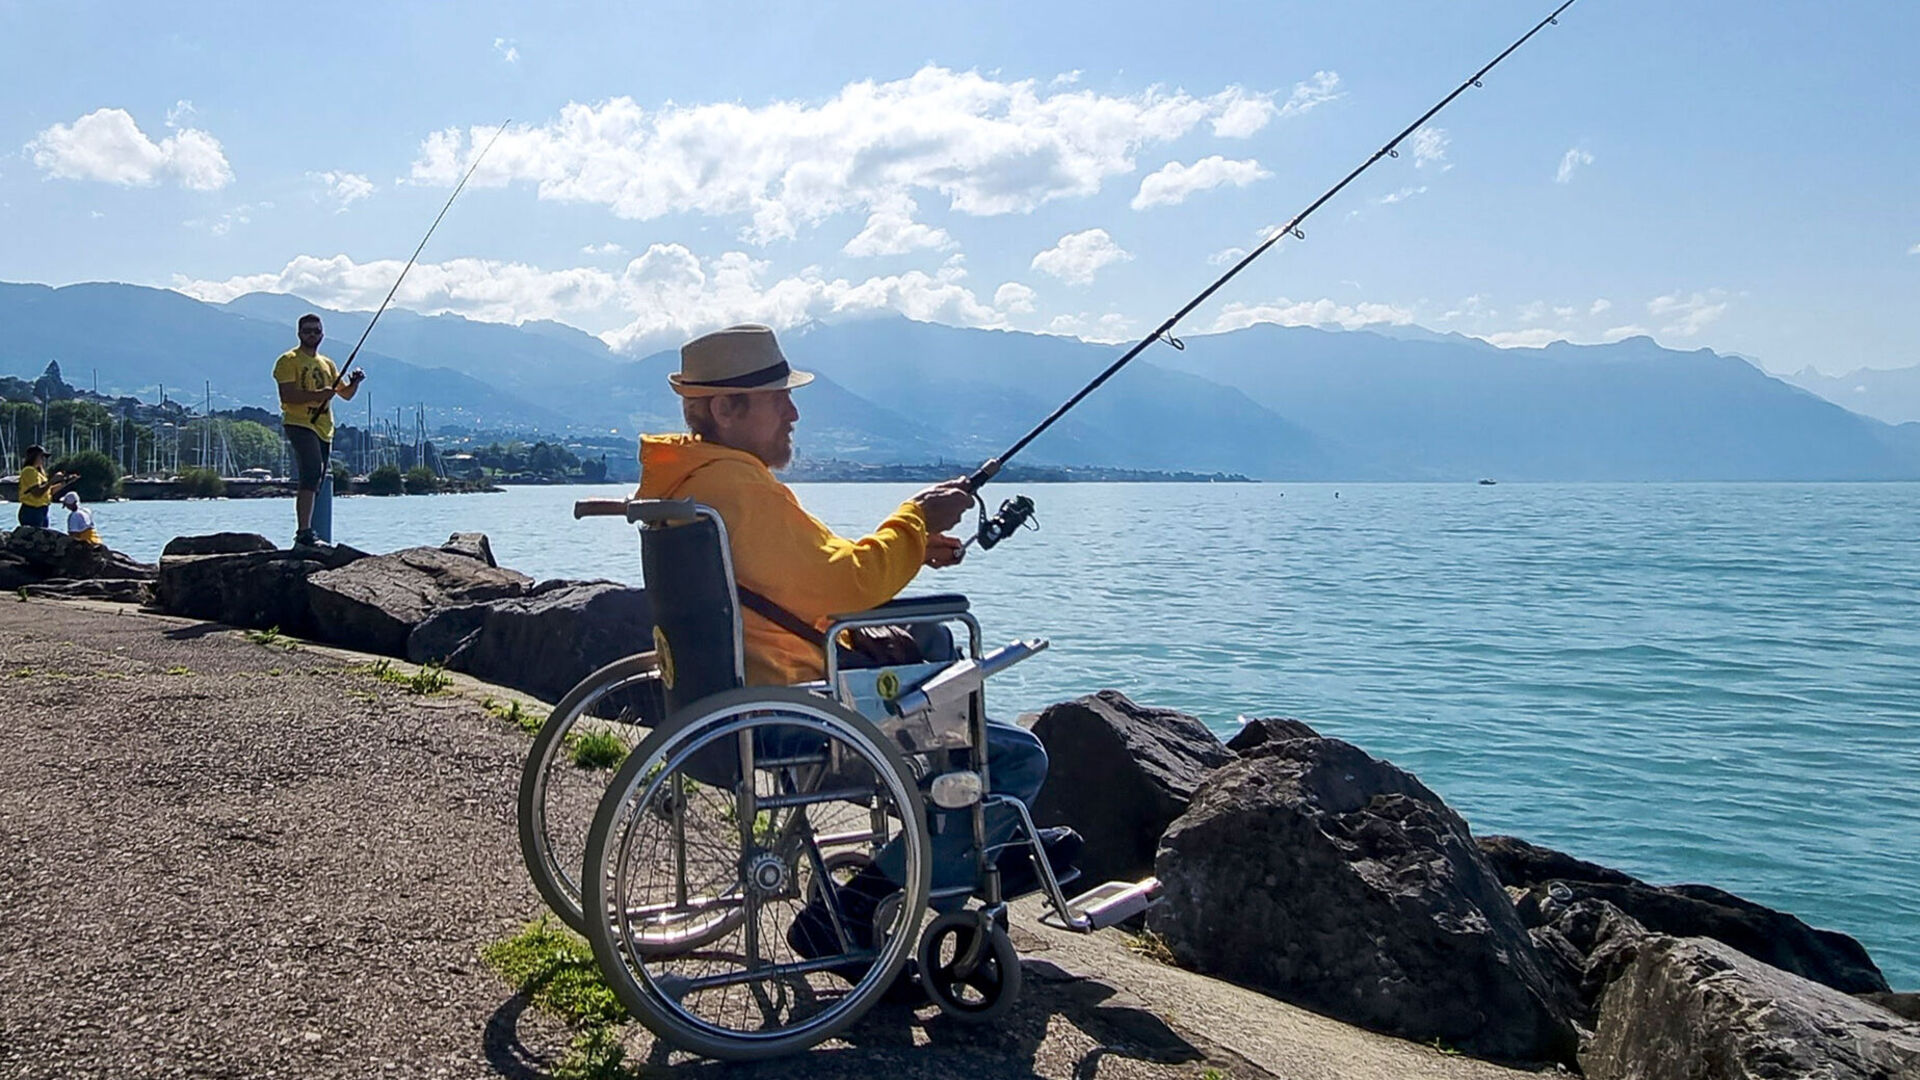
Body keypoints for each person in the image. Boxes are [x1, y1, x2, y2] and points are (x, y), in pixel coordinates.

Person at [633, 324, 1070, 955]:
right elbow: (846, 581)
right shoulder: (737, 488)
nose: (793, 413)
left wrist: (913, 545)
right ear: (726, 408)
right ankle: (864, 907)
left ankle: (971, 834)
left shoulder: (690, 480)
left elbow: (806, 574)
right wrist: (915, 518)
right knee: (1020, 757)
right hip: (793, 707)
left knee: (931, 642)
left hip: (733, 697)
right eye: (778, 399)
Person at [273, 313, 364, 546]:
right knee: (311, 471)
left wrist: (354, 383)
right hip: (299, 423)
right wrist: (318, 395)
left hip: (324, 427)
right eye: (307, 331)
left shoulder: (328, 364)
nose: (312, 335)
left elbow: (345, 394)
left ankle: (311, 531)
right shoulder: (288, 360)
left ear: (322, 334)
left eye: (316, 331)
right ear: (299, 333)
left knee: (317, 479)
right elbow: (288, 395)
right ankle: (304, 532)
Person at [14, 445, 75, 529]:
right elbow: (37, 493)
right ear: (33, 456)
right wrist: (52, 481)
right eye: (41, 456)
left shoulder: (39, 473)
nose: (43, 460)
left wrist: (66, 482)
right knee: (36, 535)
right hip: (32, 511)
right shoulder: (29, 471)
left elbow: (49, 491)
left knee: (43, 535)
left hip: (42, 510)